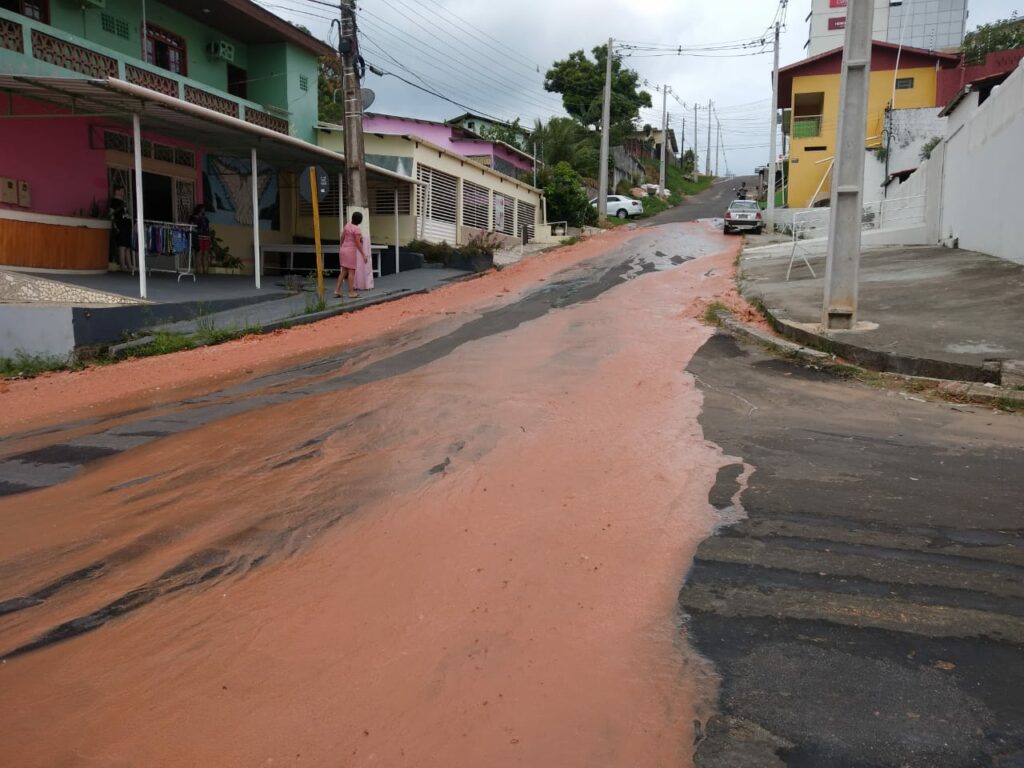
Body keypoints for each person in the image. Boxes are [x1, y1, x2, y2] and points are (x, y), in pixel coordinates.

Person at [335, 211, 368, 299]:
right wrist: (364, 254)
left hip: (343, 249)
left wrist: (342, 246)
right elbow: (357, 243)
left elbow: (342, 237)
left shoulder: (347, 226)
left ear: (352, 218)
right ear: (360, 221)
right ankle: (351, 292)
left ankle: (337, 290)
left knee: (343, 271)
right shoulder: (357, 229)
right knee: (351, 272)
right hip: (350, 251)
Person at [109, 188, 134, 271]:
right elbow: (111, 213)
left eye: (123, 191)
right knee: (122, 246)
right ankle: (122, 265)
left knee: (127, 246)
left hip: (127, 225)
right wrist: (115, 225)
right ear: (116, 191)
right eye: (121, 190)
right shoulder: (114, 201)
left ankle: (130, 265)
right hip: (121, 225)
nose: (123, 192)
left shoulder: (124, 202)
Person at [189, 203, 212, 274]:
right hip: (198, 238)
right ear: (199, 209)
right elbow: (191, 228)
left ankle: (205, 271)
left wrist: (210, 238)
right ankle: (199, 271)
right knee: (199, 254)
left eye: (204, 209)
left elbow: (208, 229)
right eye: (203, 209)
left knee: (206, 254)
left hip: (206, 238)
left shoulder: (206, 219)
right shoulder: (193, 218)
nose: (204, 210)